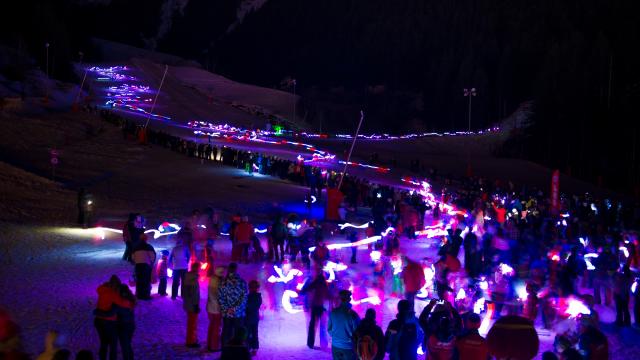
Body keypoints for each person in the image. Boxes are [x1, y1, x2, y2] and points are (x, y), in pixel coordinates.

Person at [94, 275, 128, 360]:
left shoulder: (102, 290)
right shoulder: (114, 294)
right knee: (113, 344)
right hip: (109, 322)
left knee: (103, 343)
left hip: (98, 320)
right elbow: (124, 304)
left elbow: (99, 289)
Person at [219, 263, 248, 345]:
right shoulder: (242, 282)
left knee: (226, 331)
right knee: (238, 332)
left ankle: (225, 350)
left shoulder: (223, 282)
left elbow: (221, 298)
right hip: (238, 313)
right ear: (236, 270)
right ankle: (237, 349)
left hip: (227, 313)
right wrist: (236, 308)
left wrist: (227, 309)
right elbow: (244, 297)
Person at [301, 269, 330, 349]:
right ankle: (323, 344)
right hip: (322, 306)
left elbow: (303, 290)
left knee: (313, 325)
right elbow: (328, 296)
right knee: (323, 325)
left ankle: (310, 344)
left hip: (315, 306)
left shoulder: (314, 283)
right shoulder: (324, 285)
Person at [328, 290, 360, 360]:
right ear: (349, 299)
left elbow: (329, 329)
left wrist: (335, 337)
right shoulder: (353, 315)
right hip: (348, 347)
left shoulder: (333, 312)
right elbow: (357, 332)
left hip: (335, 346)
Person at [132, 234, 156, 300]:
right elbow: (152, 256)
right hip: (146, 266)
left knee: (139, 280)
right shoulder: (149, 247)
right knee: (146, 281)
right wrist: (151, 263)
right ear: (146, 239)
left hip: (138, 266)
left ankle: (139, 295)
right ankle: (145, 295)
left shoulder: (136, 247)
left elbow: (133, 257)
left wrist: (136, 261)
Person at [115, 284, 135, 360]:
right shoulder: (131, 299)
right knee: (127, 345)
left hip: (123, 326)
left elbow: (114, 312)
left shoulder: (121, 301)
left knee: (125, 346)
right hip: (131, 325)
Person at [207, 266, 225, 352]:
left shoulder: (212, 280)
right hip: (217, 309)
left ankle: (209, 343)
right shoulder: (219, 282)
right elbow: (219, 297)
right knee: (216, 327)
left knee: (212, 326)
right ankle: (214, 345)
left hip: (210, 308)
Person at [183, 262, 201, 348]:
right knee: (192, 324)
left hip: (190, 305)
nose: (200, 270)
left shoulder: (189, 278)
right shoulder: (193, 280)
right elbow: (192, 295)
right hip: (192, 305)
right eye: (199, 268)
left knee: (192, 323)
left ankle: (191, 340)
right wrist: (195, 305)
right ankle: (191, 342)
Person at [169, 234, 190, 300]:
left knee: (175, 282)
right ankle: (183, 295)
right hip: (184, 267)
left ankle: (174, 296)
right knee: (184, 282)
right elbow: (189, 256)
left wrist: (171, 265)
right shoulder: (185, 247)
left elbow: (170, 258)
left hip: (176, 267)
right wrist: (186, 262)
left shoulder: (174, 248)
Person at [246, 280, 262, 356]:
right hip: (255, 317)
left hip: (249, 318)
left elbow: (250, 307)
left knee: (248, 333)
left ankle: (249, 347)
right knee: (254, 333)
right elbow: (256, 307)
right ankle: (254, 348)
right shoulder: (258, 297)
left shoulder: (249, 296)